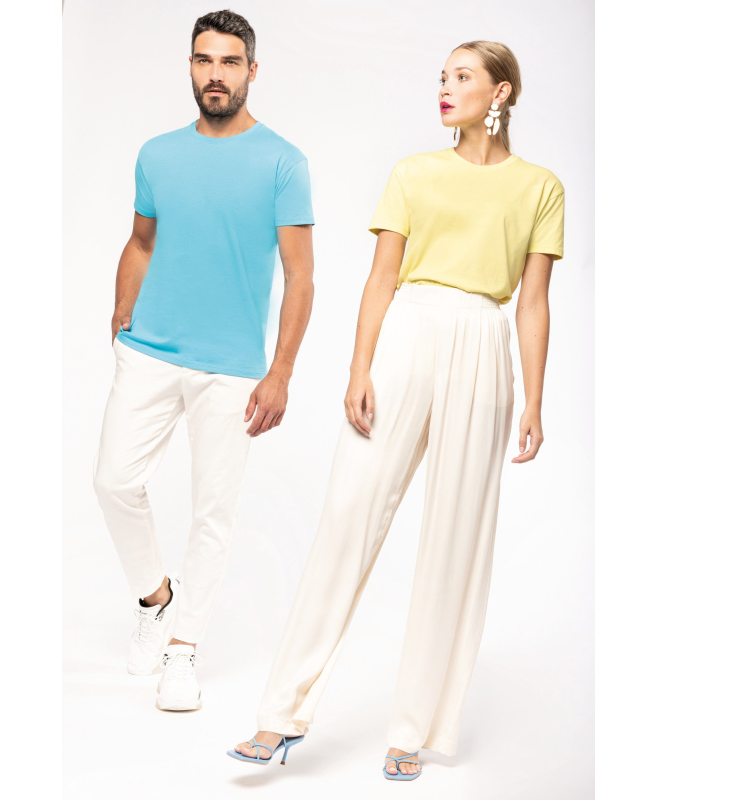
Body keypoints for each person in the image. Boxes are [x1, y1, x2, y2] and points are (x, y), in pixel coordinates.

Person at [228, 40, 564, 780]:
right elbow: (381, 278)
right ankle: (279, 715)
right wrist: (359, 368)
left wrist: (534, 398)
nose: (445, 88)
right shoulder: (413, 172)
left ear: (500, 92)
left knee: (456, 537)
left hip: (484, 344)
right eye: (442, 77)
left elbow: (533, 302)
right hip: (408, 334)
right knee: (349, 514)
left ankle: (414, 728)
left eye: (462, 77)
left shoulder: (541, 187)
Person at [93, 9, 315, 712]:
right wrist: (122, 307)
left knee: (213, 512)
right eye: (203, 60)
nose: (214, 74)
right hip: (149, 349)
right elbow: (141, 240)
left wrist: (280, 372)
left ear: (252, 70)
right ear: (190, 66)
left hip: (232, 366)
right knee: (113, 481)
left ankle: (183, 651)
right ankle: (156, 599)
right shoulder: (157, 154)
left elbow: (301, 277)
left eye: (228, 62)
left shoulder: (283, 161)